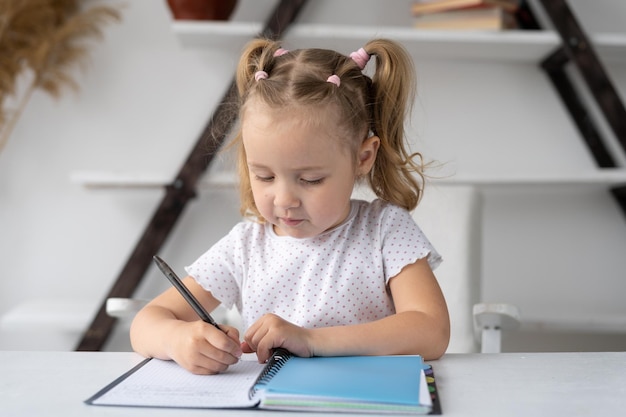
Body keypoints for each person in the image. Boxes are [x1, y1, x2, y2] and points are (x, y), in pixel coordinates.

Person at [130, 38, 450, 375]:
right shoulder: (245, 248)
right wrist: (178, 339)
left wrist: (312, 341)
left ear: (363, 157)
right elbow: (145, 324)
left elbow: (431, 331)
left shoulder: (385, 230)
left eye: (310, 179)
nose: (284, 200)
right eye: (264, 176)